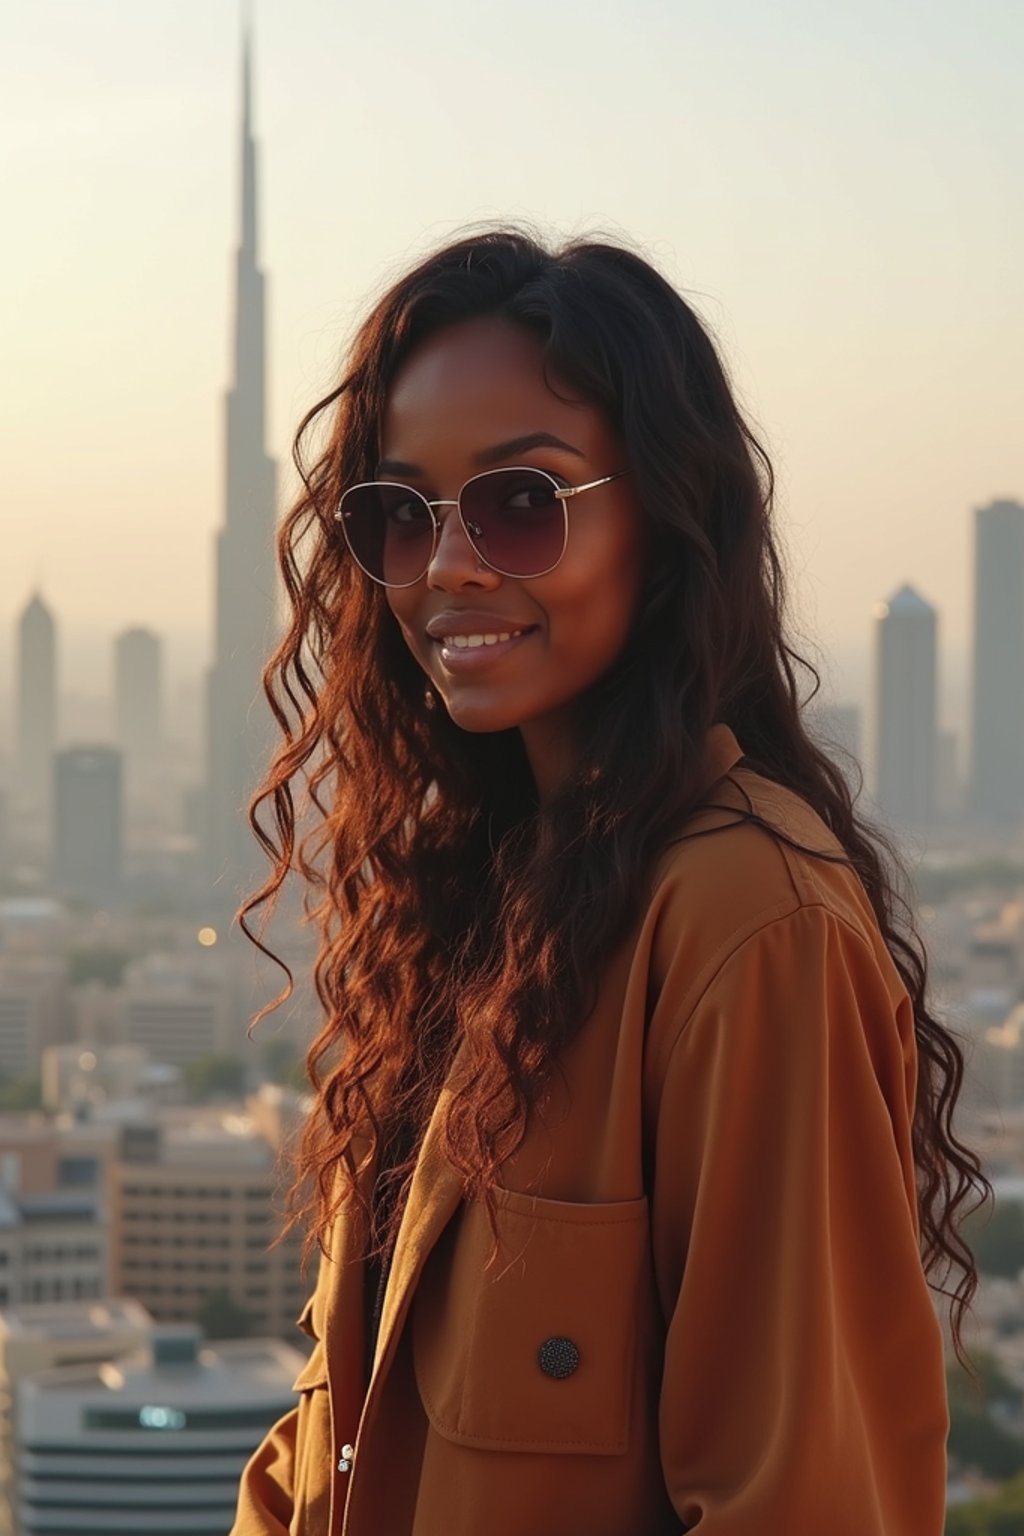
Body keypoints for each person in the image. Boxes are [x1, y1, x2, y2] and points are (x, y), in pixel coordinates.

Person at [229, 225, 987, 1536]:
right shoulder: (478, 909)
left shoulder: (745, 922)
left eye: (522, 503)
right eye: (401, 514)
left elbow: (798, 1503)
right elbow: (328, 1454)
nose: (450, 565)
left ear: (665, 514)